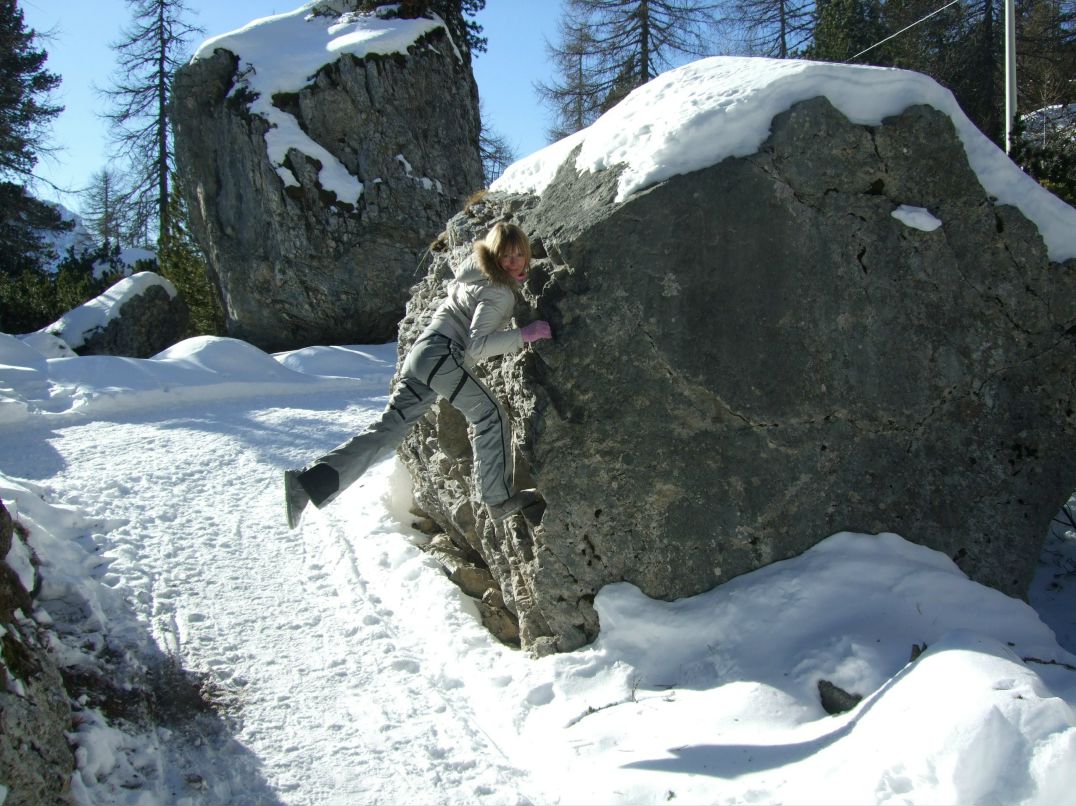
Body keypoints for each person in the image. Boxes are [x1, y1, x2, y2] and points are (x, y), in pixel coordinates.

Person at [284, 222, 552, 529]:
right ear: (493, 255)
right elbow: (477, 345)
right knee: (490, 415)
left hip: (422, 354)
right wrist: (525, 334)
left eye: (519, 254)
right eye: (505, 255)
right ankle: (498, 499)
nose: (513, 262)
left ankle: (306, 484)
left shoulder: (473, 276)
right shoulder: (498, 292)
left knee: (388, 431)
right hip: (442, 355)